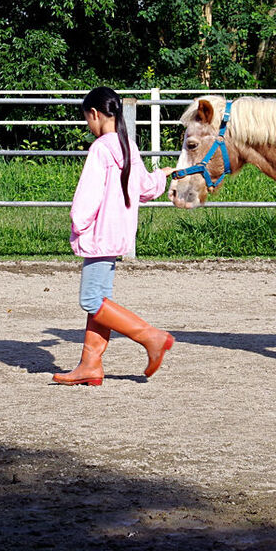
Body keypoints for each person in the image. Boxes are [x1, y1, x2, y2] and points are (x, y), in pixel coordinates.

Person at [53, 86, 176, 385]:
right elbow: (146, 187)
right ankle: (90, 365)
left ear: (95, 114)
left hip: (99, 235)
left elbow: (87, 197)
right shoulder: (128, 146)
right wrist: (164, 175)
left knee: (91, 299)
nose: (88, 126)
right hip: (117, 235)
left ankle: (151, 337)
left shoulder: (100, 149)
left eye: (87, 120)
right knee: (100, 299)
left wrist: (77, 224)